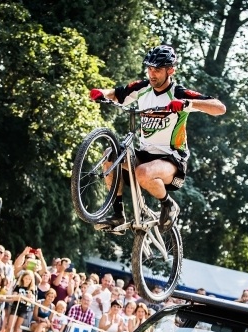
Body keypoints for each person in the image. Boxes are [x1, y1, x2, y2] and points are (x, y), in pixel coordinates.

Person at [89, 44, 226, 232]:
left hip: (172, 159)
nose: (152, 74)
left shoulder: (177, 93)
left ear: (171, 70)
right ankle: (118, 214)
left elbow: (219, 107)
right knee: (110, 156)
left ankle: (168, 205)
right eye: (150, 69)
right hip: (145, 154)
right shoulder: (142, 88)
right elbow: (116, 93)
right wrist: (102, 93)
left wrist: (187, 103)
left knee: (143, 172)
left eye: (158, 70)